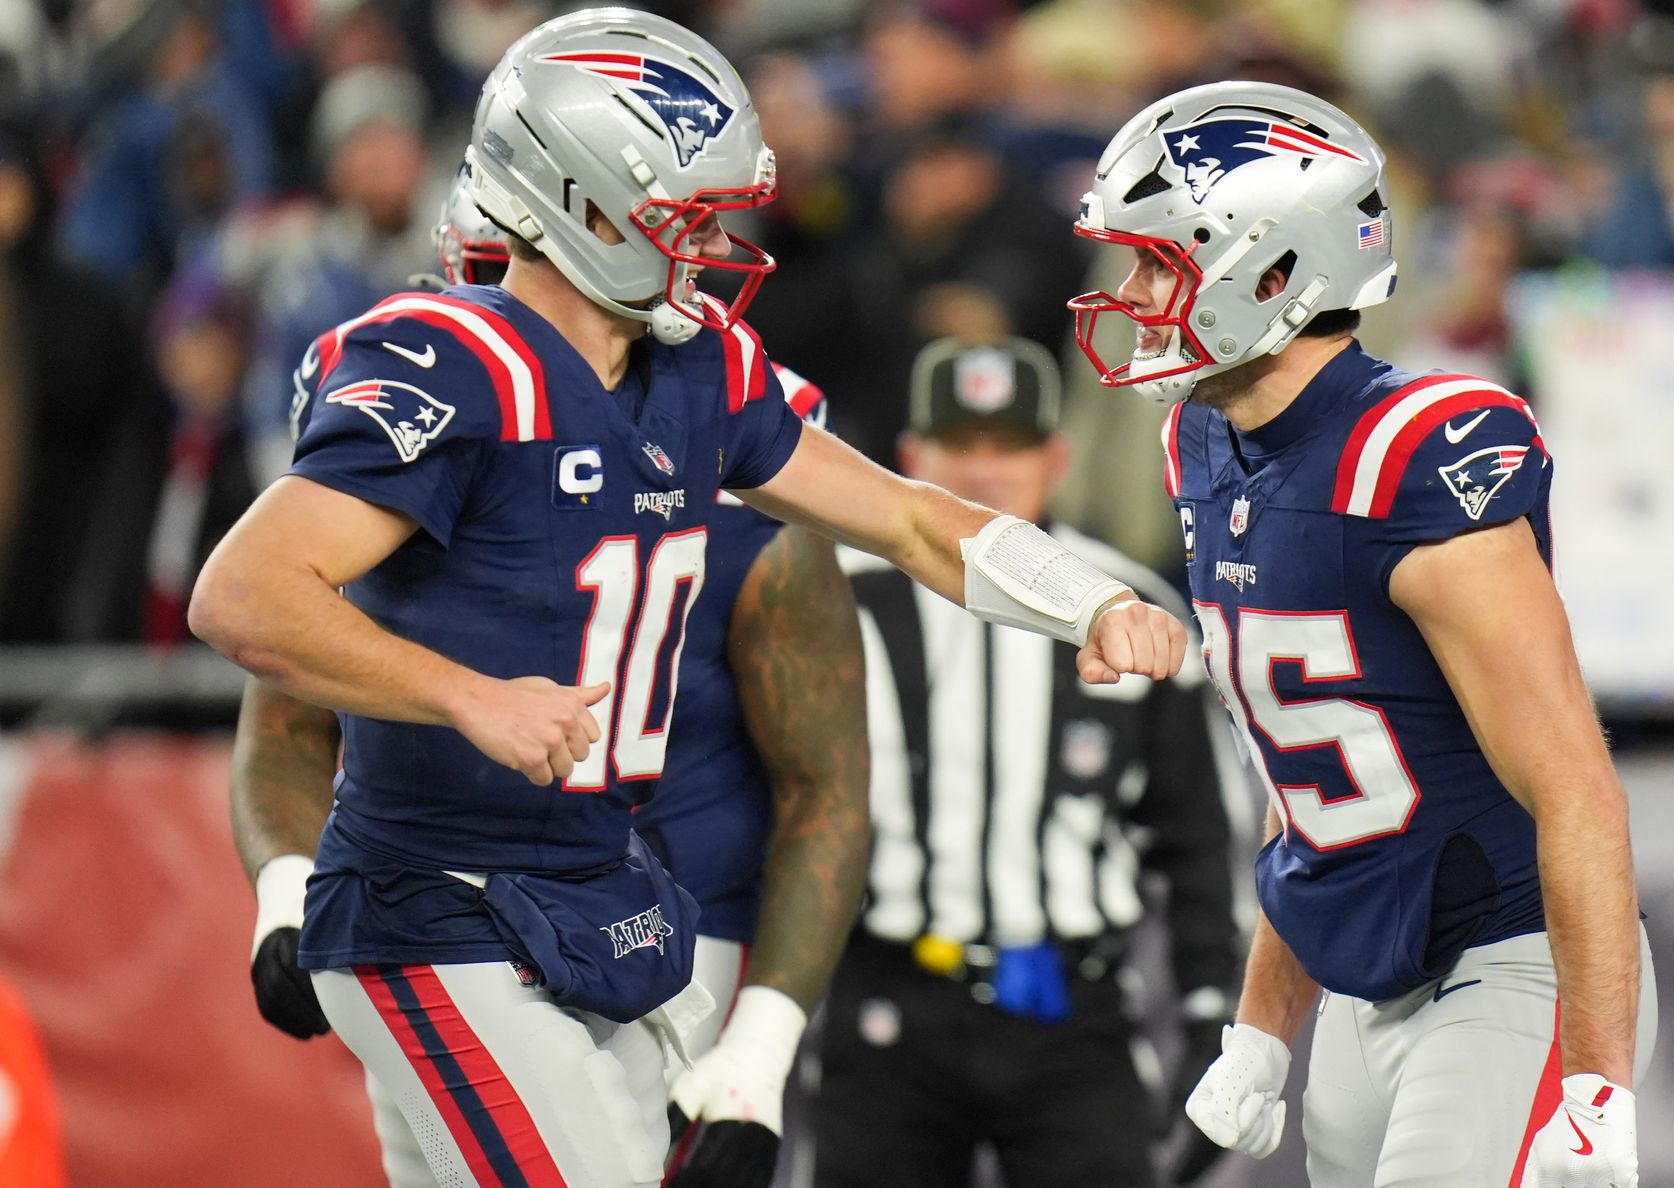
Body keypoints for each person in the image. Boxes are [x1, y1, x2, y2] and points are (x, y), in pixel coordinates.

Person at [188, 10, 1186, 1187]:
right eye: (686, 214)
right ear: (581, 201)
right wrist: (466, 696)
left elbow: (909, 518)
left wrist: (1087, 605)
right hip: (438, 898)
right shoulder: (453, 360)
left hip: (599, 892)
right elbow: (242, 594)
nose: (713, 244)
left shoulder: (699, 367)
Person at [1066, 81, 1656, 1188]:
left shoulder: (1413, 454)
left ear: (1271, 274)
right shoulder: (1201, 443)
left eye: (1158, 264)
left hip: (1506, 965)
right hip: (1359, 986)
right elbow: (1320, 785)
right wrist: (1261, 1029)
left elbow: (1578, 790)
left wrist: (1595, 1083)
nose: (1134, 297)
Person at [234, 181, 868, 1188]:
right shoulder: (420, 411)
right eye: (497, 282)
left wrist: (759, 1049)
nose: (527, 319)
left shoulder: (723, 434)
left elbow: (826, 785)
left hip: (669, 922)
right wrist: (286, 890)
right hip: (449, 906)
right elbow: (286, 712)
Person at [813, 336, 1242, 1188]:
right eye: (959, 444)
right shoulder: (834, 600)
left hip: (1072, 1011)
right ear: (910, 459)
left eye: (1008, 446)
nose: (984, 471)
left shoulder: (1131, 608)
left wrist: (1209, 1010)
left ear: (1055, 459)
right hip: (888, 1000)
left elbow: (1196, 835)